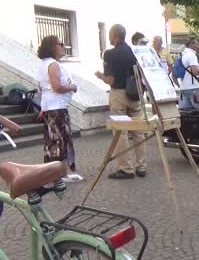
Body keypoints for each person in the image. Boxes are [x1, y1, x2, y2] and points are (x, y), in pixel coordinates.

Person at [94, 24, 147, 179]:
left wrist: (100, 76)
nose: (109, 38)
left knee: (120, 131)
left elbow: (110, 80)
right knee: (138, 130)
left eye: (110, 35)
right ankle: (141, 166)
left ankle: (126, 168)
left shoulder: (109, 54)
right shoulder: (134, 51)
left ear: (114, 36)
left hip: (118, 94)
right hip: (135, 93)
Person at [36, 35, 82, 183]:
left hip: (51, 107)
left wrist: (43, 107)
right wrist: (73, 87)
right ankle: (59, 175)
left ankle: (54, 174)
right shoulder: (53, 65)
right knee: (59, 140)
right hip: (57, 108)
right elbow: (57, 87)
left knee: (53, 140)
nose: (63, 46)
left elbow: (42, 88)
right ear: (53, 47)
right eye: (60, 44)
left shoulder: (44, 64)